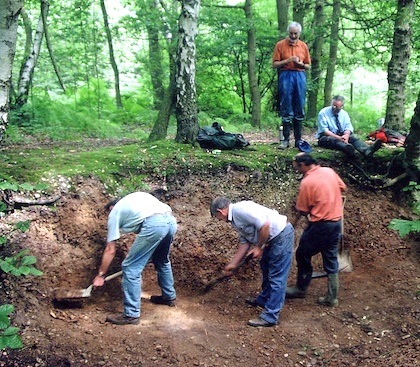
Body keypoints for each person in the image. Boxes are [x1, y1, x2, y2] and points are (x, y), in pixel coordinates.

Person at [93, 192, 178, 325]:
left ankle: (131, 314)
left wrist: (100, 275)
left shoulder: (114, 212)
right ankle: (169, 297)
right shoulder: (135, 201)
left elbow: (110, 250)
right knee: (161, 260)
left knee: (130, 267)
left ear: (111, 208)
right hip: (171, 221)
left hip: (155, 225)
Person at [210, 197, 294, 327]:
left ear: (221, 212)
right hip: (271, 240)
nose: (220, 220)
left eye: (217, 217)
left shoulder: (240, 210)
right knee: (265, 267)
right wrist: (233, 264)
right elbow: (245, 242)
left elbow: (264, 225)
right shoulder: (234, 219)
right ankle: (264, 299)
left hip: (281, 236)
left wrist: (259, 247)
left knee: (277, 277)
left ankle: (270, 316)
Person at [286, 153, 347, 307]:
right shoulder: (329, 171)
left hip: (320, 225)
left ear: (303, 165)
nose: (296, 169)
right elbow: (343, 188)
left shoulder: (307, 182)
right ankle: (332, 297)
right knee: (330, 256)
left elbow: (302, 210)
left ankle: (300, 288)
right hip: (336, 222)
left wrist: (292, 224)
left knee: (302, 254)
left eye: (296, 166)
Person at [272, 21, 311, 149]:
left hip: (300, 75)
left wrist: (301, 64)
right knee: (286, 106)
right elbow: (275, 64)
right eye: (291, 33)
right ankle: (285, 140)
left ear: (299, 33)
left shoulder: (303, 46)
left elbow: (308, 65)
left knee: (299, 105)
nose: (293, 36)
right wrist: (288, 60)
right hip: (286, 74)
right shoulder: (280, 45)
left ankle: (298, 140)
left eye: (296, 34)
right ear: (288, 33)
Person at [317, 95, 382, 158]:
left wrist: (346, 136)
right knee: (333, 140)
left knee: (353, 138)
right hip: (326, 137)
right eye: (333, 105)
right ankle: (347, 148)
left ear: (342, 106)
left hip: (341, 135)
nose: (334, 107)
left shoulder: (344, 114)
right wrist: (338, 138)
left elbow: (348, 127)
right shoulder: (323, 113)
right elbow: (325, 131)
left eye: (336, 106)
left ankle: (366, 150)